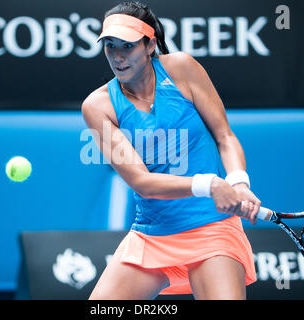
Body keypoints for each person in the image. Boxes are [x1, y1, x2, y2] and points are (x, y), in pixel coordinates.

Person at [81, 1, 261, 300]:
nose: (117, 56)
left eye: (127, 46)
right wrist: (210, 184)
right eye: (110, 46)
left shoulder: (182, 69)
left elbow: (224, 136)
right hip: (152, 232)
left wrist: (239, 182)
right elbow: (141, 182)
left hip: (212, 226)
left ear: (150, 44)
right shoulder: (98, 106)